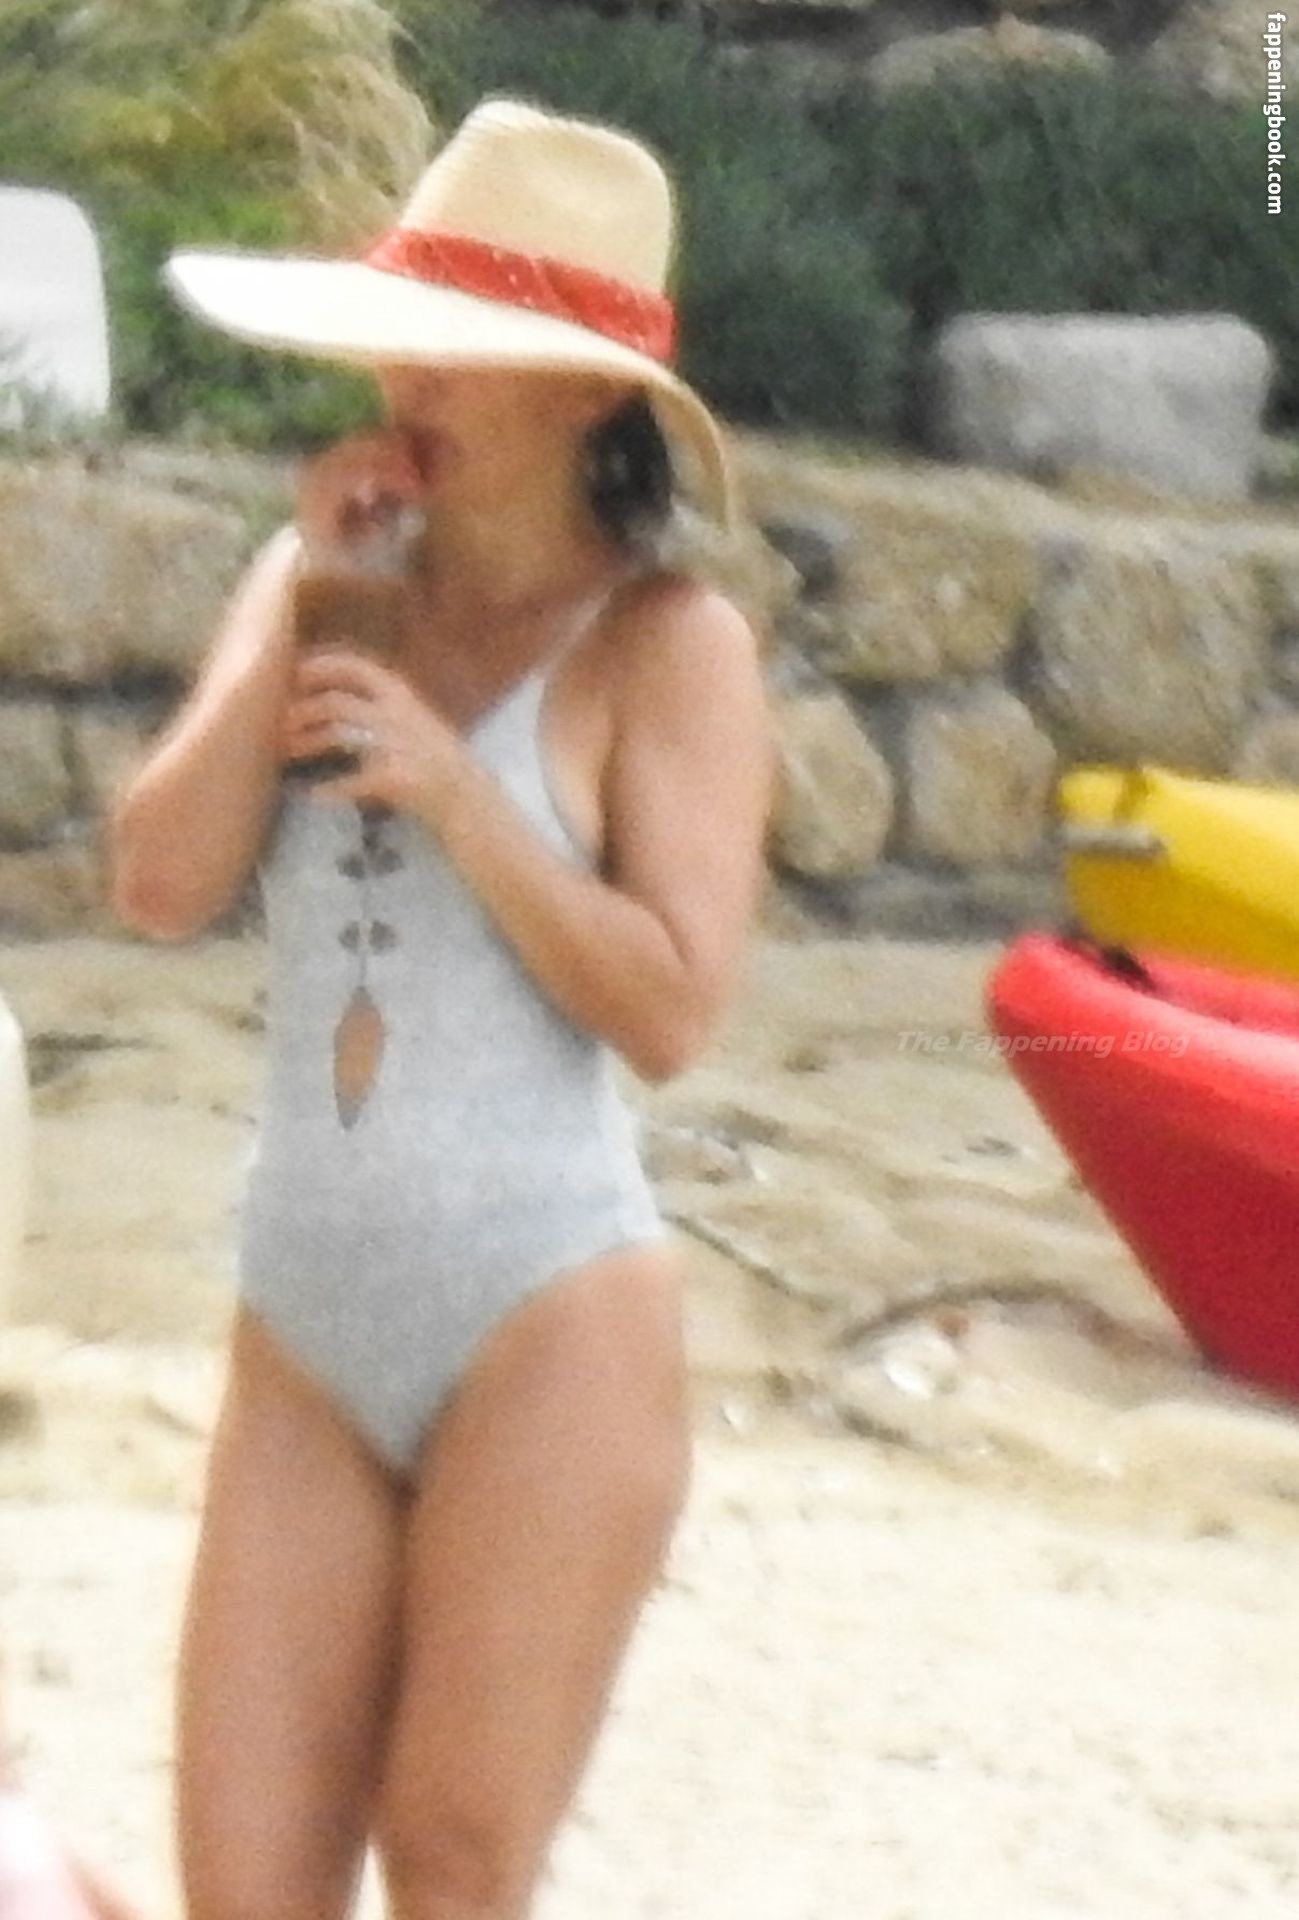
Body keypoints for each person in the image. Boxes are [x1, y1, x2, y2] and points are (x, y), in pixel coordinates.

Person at [108, 95, 774, 1920]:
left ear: (584, 397)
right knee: (243, 1889)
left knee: (457, 1864)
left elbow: (673, 1010)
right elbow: (156, 885)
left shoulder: (669, 645)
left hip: (547, 1307)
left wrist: (464, 796)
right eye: (406, 334)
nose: (413, 377)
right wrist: (306, 606)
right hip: (303, 1312)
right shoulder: (318, 575)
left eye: (464, 349)